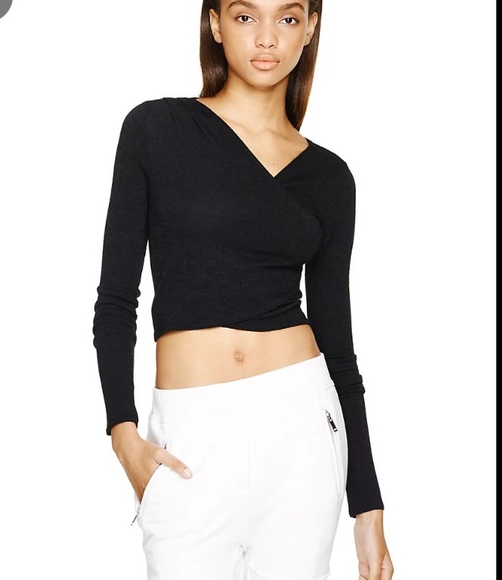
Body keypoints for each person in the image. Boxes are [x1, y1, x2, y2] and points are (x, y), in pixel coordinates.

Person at [92, 1, 394, 579]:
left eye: (287, 18)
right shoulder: (156, 129)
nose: (267, 38)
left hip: (302, 431)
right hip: (191, 437)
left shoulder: (330, 177)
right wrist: (122, 433)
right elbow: (116, 301)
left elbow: (339, 344)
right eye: (245, 16)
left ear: (310, 28)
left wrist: (368, 503)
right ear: (215, 22)